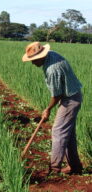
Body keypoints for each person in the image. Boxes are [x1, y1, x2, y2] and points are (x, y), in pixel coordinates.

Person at [22, 42, 83, 175]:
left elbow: (57, 95)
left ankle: (54, 168)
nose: (32, 63)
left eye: (33, 60)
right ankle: (75, 166)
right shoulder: (51, 55)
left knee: (58, 131)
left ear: (40, 57)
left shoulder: (52, 69)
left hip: (70, 99)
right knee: (68, 134)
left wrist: (48, 109)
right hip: (72, 95)